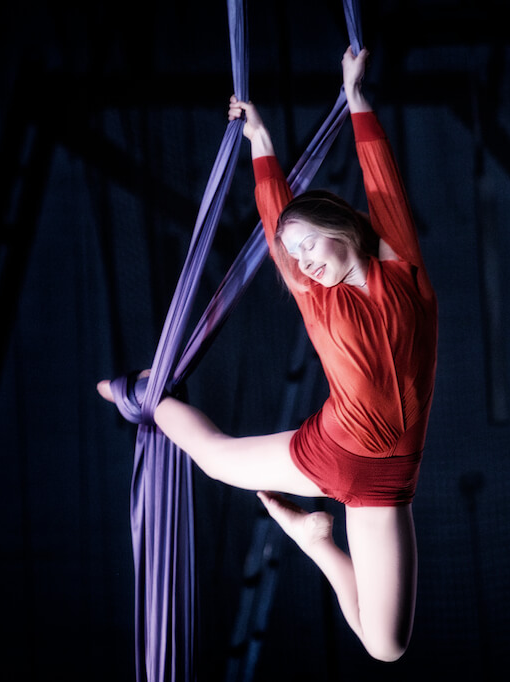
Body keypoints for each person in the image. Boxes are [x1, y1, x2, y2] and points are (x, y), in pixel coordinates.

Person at [98, 46, 437, 663]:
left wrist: (355, 98)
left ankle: (313, 539)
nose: (302, 263)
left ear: (341, 229)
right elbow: (276, 221)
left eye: (310, 247)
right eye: (295, 257)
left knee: (386, 646)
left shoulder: (401, 267)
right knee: (214, 459)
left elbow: (381, 180)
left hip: (387, 482)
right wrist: (259, 141)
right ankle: (143, 391)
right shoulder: (318, 299)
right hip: (336, 453)